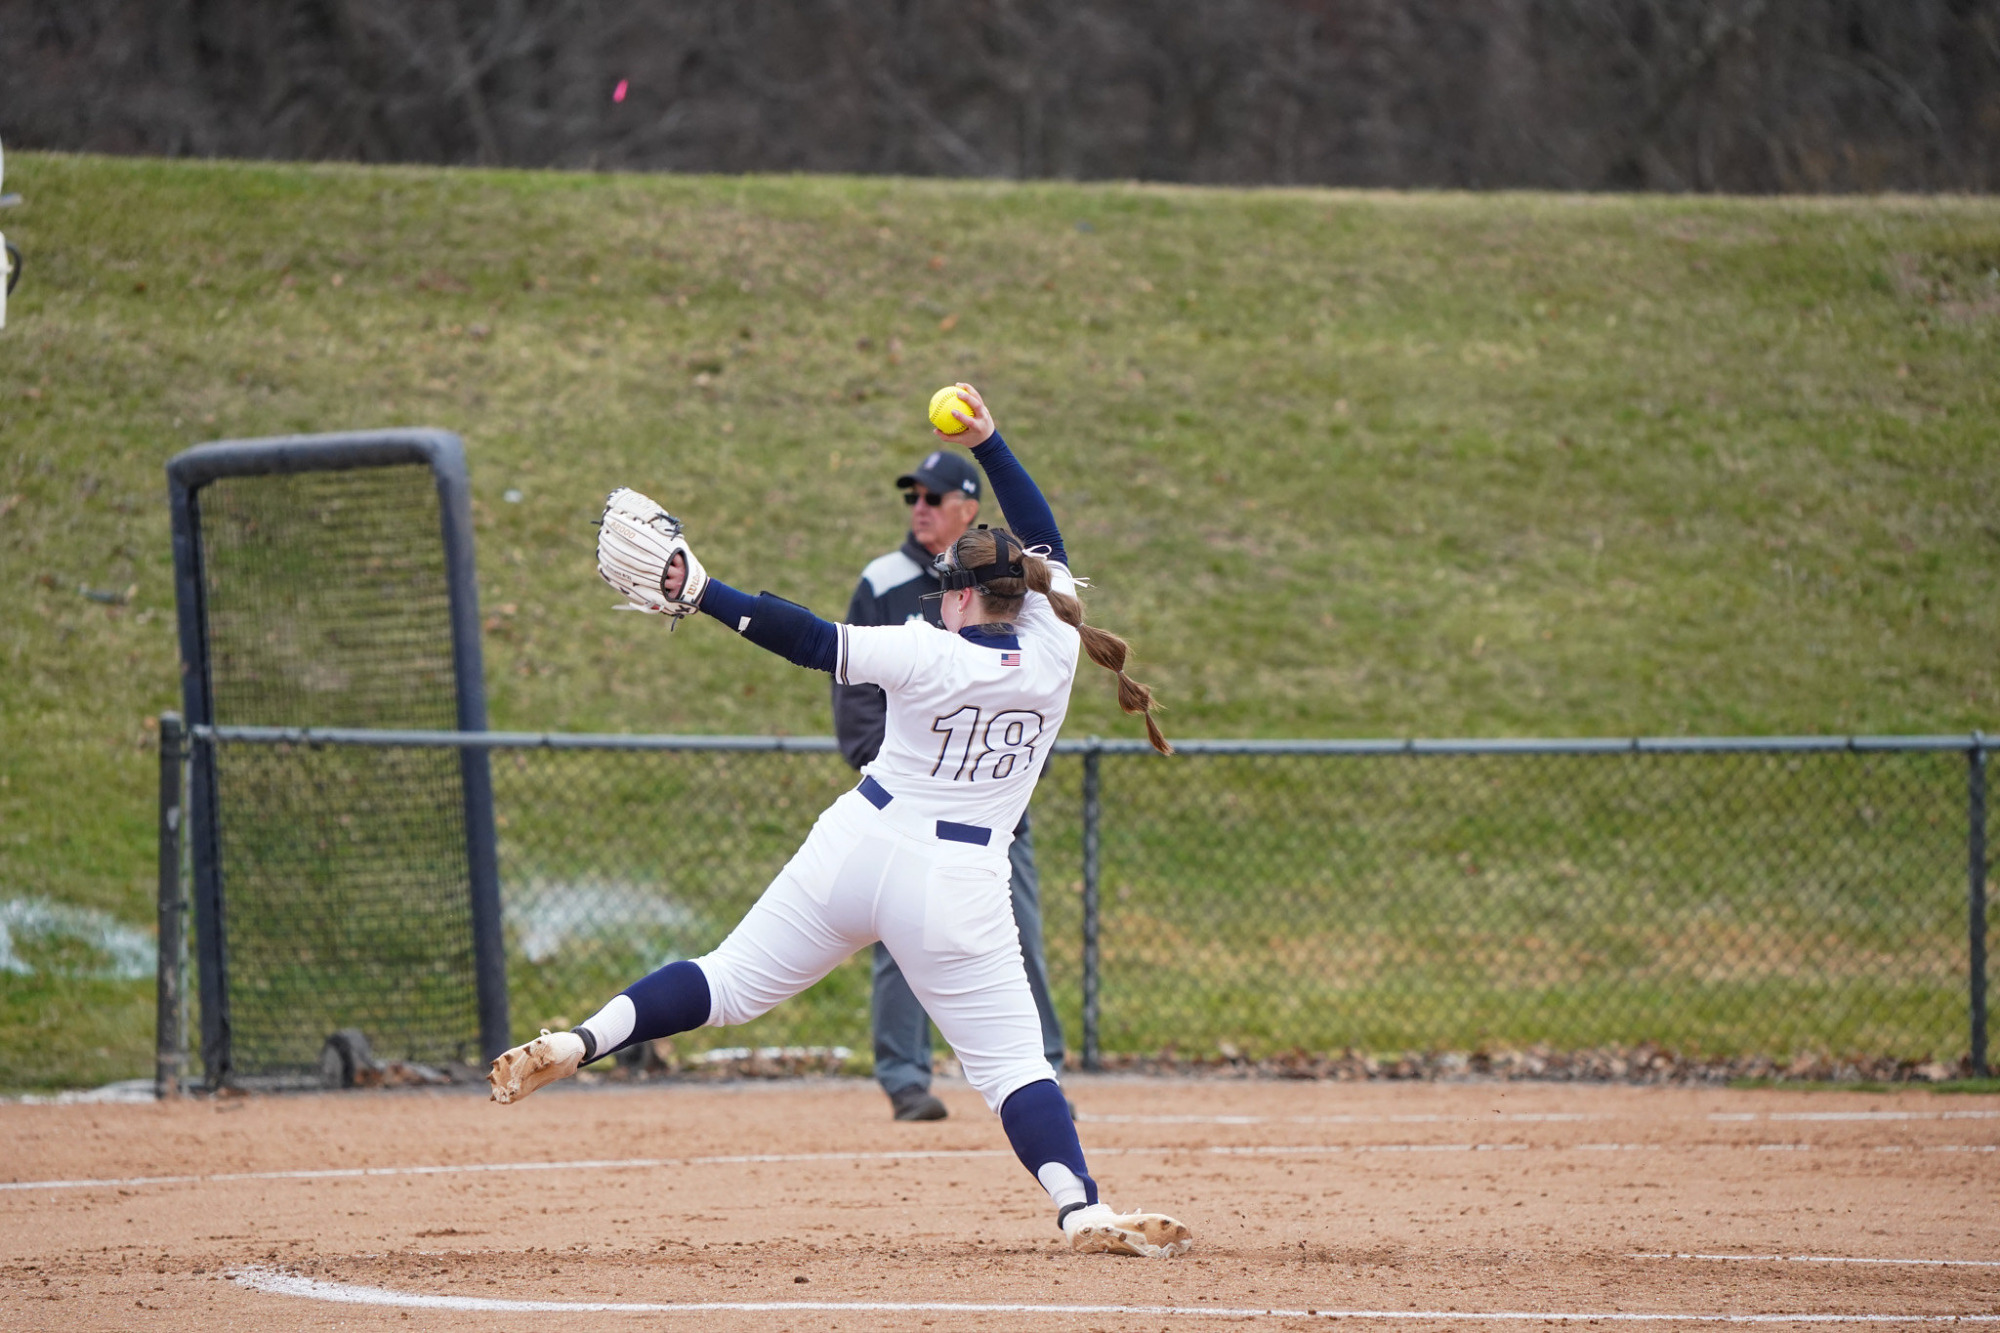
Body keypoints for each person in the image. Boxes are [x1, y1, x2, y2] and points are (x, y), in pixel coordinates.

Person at [489, 384, 1190, 1258]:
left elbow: (809, 639)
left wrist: (700, 589)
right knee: (1013, 1068)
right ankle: (1080, 1207)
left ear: (961, 597)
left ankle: (584, 1036)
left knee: (727, 982)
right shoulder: (1051, 646)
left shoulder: (921, 646)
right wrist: (994, 443)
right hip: (961, 884)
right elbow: (1048, 541)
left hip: (861, 841)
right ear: (1023, 590)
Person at [832, 446, 1067, 1122]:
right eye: (914, 496)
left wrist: (1012, 772)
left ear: (968, 508)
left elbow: (1029, 681)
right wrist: (897, 770)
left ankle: (1037, 1073)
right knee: (896, 941)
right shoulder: (883, 581)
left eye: (934, 497)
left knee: (1018, 936)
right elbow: (855, 688)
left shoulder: (1000, 577)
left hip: (994, 809)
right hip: (907, 804)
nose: (920, 508)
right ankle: (905, 1076)